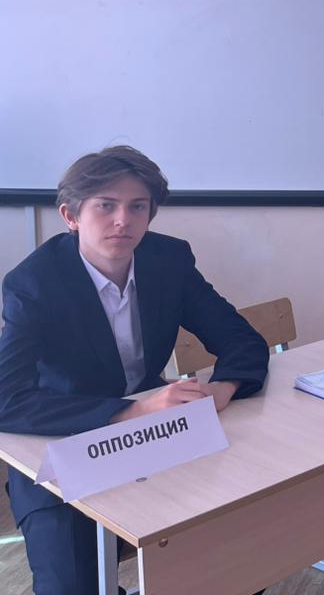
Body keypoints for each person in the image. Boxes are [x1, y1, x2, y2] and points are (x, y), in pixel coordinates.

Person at [0, 146, 269, 594]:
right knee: (71, 587)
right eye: (105, 205)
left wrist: (222, 388)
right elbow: (6, 400)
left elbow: (241, 340)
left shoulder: (168, 261)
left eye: (137, 207)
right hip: (61, 443)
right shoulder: (34, 283)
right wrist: (130, 411)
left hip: (157, 436)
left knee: (233, 558)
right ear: (71, 215)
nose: (122, 220)